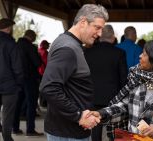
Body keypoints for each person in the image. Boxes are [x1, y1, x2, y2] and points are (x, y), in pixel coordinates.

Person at [39, 4, 109, 141]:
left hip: (68, 130)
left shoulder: (68, 42)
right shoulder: (68, 48)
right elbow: (48, 88)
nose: (100, 34)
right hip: (67, 133)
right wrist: (78, 115)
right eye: (97, 27)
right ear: (83, 22)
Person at [84, 24, 128, 141]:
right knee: (115, 131)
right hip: (113, 98)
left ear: (99, 36)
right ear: (113, 37)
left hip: (93, 96)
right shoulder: (119, 53)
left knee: (95, 129)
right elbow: (123, 78)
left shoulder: (87, 52)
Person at [13, 29, 43, 136]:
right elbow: (37, 62)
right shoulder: (30, 47)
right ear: (32, 37)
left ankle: (15, 128)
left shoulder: (15, 45)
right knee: (31, 104)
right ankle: (30, 130)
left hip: (17, 79)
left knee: (17, 104)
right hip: (30, 79)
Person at [0, 18, 24, 141]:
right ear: (8, 28)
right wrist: (19, 83)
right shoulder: (11, 44)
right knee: (7, 115)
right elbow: (17, 67)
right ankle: (7, 138)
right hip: (9, 85)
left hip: (6, 84)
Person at [38, 40, 50, 107]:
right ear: (44, 45)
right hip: (44, 73)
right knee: (45, 88)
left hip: (39, 72)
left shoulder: (38, 50)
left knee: (40, 89)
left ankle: (41, 103)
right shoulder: (45, 52)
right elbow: (47, 63)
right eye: (47, 44)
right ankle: (43, 103)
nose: (48, 46)